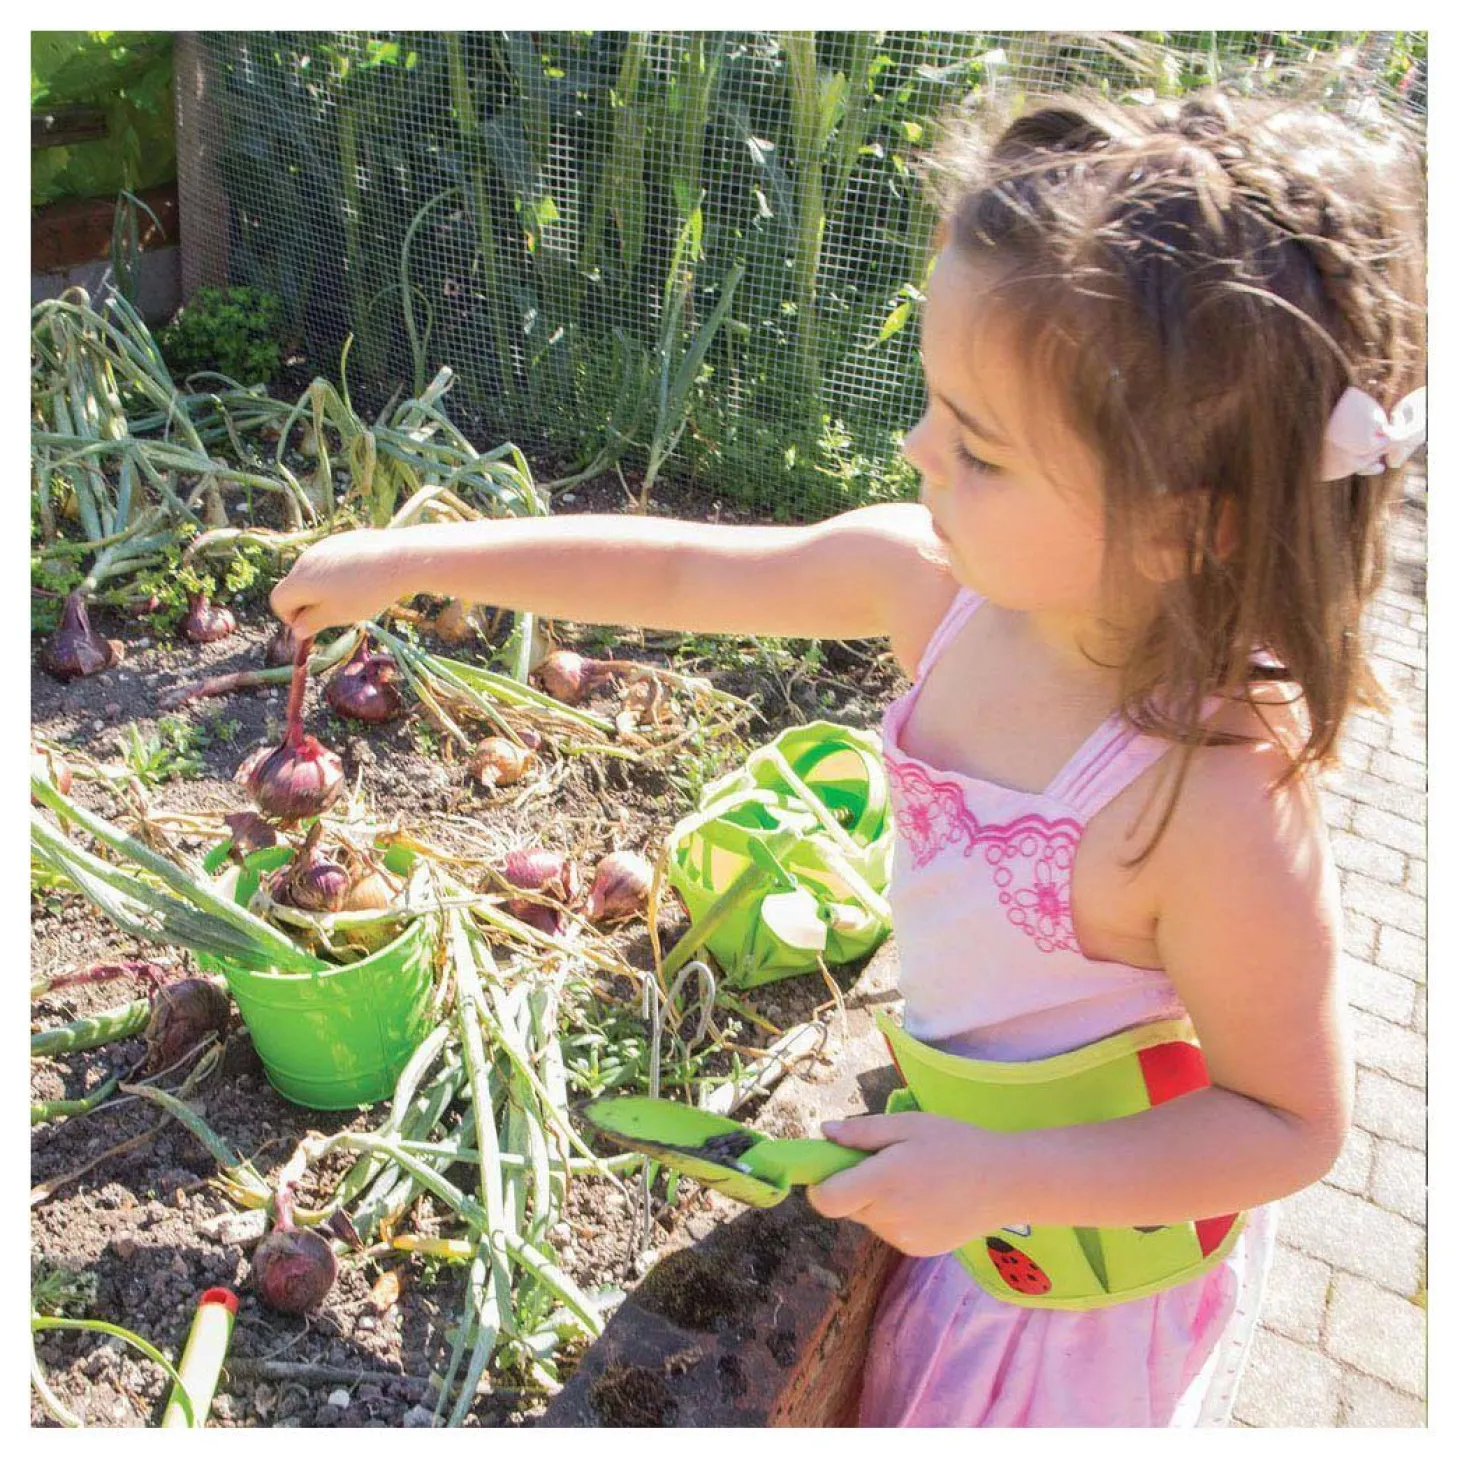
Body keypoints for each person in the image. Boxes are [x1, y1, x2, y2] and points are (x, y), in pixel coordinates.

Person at [270, 87, 1426, 1427]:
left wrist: (1001, 1177)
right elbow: (686, 573)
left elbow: (1290, 1125)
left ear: (1185, 528)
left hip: (1069, 1297)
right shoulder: (934, 588)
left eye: (978, 449)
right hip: (965, 1200)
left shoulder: (1209, 795)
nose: (917, 450)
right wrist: (416, 557)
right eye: (936, 407)